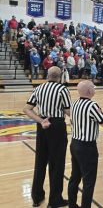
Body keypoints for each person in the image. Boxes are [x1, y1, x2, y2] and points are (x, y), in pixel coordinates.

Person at [23, 66, 71, 208]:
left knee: (40, 161)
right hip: (56, 125)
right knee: (57, 164)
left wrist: (40, 120)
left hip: (42, 124)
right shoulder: (62, 89)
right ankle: (55, 200)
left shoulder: (39, 88)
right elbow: (68, 111)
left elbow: (27, 109)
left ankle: (36, 197)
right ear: (60, 76)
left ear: (48, 75)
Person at [68, 81, 103, 208]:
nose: (94, 89)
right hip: (87, 146)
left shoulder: (74, 104)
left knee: (75, 177)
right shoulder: (92, 105)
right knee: (89, 181)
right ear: (89, 91)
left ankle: (72, 204)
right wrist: (101, 112)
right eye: (93, 87)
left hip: (75, 143)